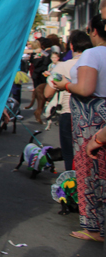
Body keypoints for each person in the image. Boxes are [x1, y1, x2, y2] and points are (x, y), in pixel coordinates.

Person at [53, 14, 106, 242]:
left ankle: (94, 227)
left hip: (91, 120)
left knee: (90, 171)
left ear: (93, 30)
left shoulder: (93, 54)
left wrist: (64, 85)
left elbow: (85, 89)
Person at [45, 30, 90, 172]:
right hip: (92, 114)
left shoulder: (62, 66)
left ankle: (72, 188)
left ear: (71, 46)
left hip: (69, 112)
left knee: (70, 154)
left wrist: (61, 86)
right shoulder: (95, 64)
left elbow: (47, 93)